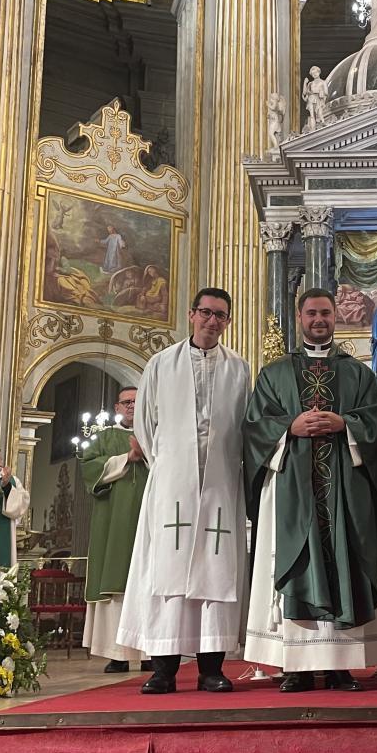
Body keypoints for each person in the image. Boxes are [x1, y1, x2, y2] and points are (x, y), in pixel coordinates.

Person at [243, 288, 377, 691]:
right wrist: (288, 428)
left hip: (344, 488)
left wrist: (346, 424)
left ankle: (341, 665)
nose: (319, 320)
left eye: (325, 313)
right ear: (299, 317)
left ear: (335, 317)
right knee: (300, 561)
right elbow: (255, 427)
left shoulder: (358, 372)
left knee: (344, 557)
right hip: (293, 485)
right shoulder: (274, 373)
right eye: (311, 313)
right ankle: (296, 665)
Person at [115, 288, 251, 693]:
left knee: (217, 572)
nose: (212, 321)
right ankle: (164, 669)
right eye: (206, 313)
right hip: (172, 482)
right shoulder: (161, 364)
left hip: (222, 481)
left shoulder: (239, 369)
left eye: (221, 316)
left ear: (228, 321)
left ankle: (212, 668)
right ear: (191, 314)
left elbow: (246, 425)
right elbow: (144, 422)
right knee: (167, 572)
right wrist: (171, 464)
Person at [79, 385, 149, 673]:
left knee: (148, 582)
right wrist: (125, 459)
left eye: (137, 401)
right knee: (115, 585)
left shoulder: (154, 433)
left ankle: (150, 653)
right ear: (117, 407)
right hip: (113, 522)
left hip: (148, 518)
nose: (132, 406)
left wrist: (145, 454)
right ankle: (117, 653)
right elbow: (88, 468)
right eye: (126, 402)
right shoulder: (104, 437)